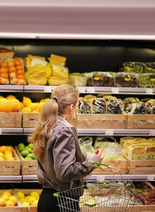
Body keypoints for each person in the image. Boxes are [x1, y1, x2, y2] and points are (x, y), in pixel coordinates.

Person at [30, 84, 104, 212]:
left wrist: (84, 156)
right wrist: (95, 161)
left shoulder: (48, 126)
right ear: (71, 107)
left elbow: (55, 159)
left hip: (48, 199)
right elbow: (65, 172)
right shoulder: (65, 131)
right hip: (62, 202)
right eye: (77, 106)